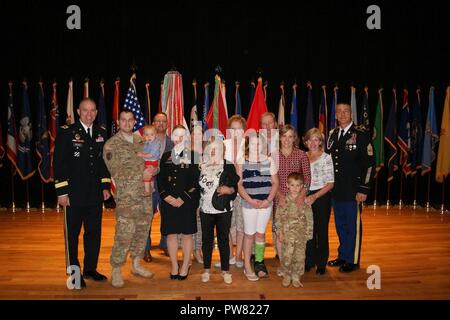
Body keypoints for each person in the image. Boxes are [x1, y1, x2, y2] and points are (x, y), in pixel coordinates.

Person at [53, 98, 111, 289]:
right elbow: (59, 164)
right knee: (72, 236)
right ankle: (75, 275)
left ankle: (90, 269)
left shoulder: (101, 133)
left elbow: (103, 164)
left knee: (94, 233)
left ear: (96, 112)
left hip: (94, 195)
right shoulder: (67, 132)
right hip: (73, 196)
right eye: (85, 110)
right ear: (78, 111)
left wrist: (105, 187)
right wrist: (62, 192)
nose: (89, 114)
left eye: (93, 111)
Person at [103, 110, 155, 288]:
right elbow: (116, 171)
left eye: (130, 120)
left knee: (142, 230)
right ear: (118, 122)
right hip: (127, 197)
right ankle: (116, 268)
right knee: (124, 234)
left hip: (145, 197)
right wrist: (143, 172)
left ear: (134, 122)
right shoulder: (111, 145)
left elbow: (154, 161)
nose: (126, 123)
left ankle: (136, 263)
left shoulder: (142, 141)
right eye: (123, 120)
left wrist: (154, 170)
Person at [326, 103, 375, 273]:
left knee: (352, 226)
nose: (342, 114)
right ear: (336, 115)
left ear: (351, 113)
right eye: (339, 111)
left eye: (346, 111)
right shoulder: (332, 135)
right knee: (340, 226)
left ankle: (353, 260)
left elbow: (369, 165)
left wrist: (363, 189)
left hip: (354, 191)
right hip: (336, 189)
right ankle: (343, 255)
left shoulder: (361, 135)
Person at [157, 125, 200, 280]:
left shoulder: (194, 156)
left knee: (187, 235)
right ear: (172, 137)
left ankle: (185, 265)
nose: (179, 138)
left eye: (183, 135)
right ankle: (174, 265)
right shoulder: (165, 156)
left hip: (186, 202)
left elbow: (196, 182)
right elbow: (160, 179)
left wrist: (183, 198)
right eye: (176, 135)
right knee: (171, 234)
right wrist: (166, 197)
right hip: (168, 202)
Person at [237, 133, 279, 281]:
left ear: (263, 145)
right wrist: (249, 200)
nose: (256, 146)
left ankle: (259, 262)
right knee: (249, 235)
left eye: (259, 144)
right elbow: (239, 184)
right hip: (249, 204)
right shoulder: (242, 160)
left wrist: (268, 200)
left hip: (265, 204)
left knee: (260, 234)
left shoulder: (269, 160)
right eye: (253, 144)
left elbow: (275, 183)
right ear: (249, 145)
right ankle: (247, 265)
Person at [273, 124, 311, 276]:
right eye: (284, 136)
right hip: (280, 199)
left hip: (298, 201)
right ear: (280, 138)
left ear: (294, 138)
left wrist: (301, 196)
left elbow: (307, 178)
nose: (287, 140)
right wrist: (280, 196)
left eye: (290, 136)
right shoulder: (273, 155)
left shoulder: (302, 155)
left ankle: (295, 264)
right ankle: (284, 265)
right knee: (280, 232)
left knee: (295, 233)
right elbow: (272, 179)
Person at [199, 140, 239, 284]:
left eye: (218, 148)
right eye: (212, 148)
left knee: (223, 240)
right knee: (206, 240)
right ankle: (206, 270)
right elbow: (195, 186)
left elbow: (235, 187)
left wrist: (229, 190)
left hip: (224, 209)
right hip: (205, 209)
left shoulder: (228, 165)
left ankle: (225, 271)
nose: (214, 151)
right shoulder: (201, 164)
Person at [213, 115, 246, 269]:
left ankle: (238, 256)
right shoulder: (222, 145)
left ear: (244, 131)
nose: (235, 132)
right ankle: (228, 256)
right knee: (224, 228)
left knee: (240, 227)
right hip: (225, 192)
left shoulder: (248, 147)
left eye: (239, 129)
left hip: (241, 194)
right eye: (232, 129)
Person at [303, 128, 334, 275]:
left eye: (317, 139)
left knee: (321, 230)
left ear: (321, 142)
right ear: (306, 141)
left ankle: (321, 263)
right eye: (310, 139)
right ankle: (309, 261)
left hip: (321, 196)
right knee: (308, 231)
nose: (313, 142)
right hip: (305, 196)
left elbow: (330, 183)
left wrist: (314, 197)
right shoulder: (302, 156)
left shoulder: (326, 157)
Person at [144, 112, 174, 262]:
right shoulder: (145, 141)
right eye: (157, 121)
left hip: (166, 184)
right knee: (147, 216)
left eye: (163, 121)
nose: (160, 124)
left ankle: (165, 244)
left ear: (167, 124)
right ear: (153, 123)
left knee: (167, 216)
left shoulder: (172, 143)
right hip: (149, 183)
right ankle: (146, 249)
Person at [275, 172, 313, 288]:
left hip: (301, 236)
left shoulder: (305, 202)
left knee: (300, 257)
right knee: (287, 256)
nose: (295, 188)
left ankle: (296, 276)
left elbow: (310, 218)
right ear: (287, 185)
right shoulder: (283, 201)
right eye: (292, 185)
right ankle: (287, 275)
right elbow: (278, 218)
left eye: (298, 185)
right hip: (287, 236)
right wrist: (279, 232)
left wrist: (309, 234)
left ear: (302, 186)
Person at [191, 125, 204, 264]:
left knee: (201, 224)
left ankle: (199, 249)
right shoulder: (187, 153)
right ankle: (192, 250)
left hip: (205, 193)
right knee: (191, 222)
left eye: (200, 134)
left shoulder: (207, 152)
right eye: (194, 134)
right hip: (191, 193)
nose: (197, 136)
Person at [141, 124, 160, 197]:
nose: (149, 137)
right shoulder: (146, 143)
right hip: (148, 160)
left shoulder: (155, 144)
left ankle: (147, 191)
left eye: (152, 135)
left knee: (146, 175)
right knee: (150, 177)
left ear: (156, 135)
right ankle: (152, 188)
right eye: (147, 135)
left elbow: (150, 155)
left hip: (152, 161)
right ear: (143, 135)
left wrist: (141, 155)